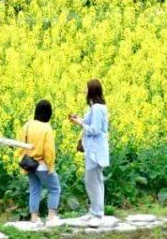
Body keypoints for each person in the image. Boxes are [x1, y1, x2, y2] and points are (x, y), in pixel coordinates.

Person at [69, 80, 110, 225]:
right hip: (93, 150)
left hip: (95, 151)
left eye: (86, 88)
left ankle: (98, 215)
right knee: (95, 181)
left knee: (93, 182)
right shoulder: (95, 107)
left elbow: (95, 129)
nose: (84, 90)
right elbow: (89, 122)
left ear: (92, 90)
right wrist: (78, 119)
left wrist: (80, 124)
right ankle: (94, 211)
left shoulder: (98, 108)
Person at [18, 100, 60, 227]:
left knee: (35, 190)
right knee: (55, 188)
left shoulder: (27, 125)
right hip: (42, 164)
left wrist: (22, 158)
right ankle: (51, 217)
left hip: (29, 164)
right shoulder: (47, 128)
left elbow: (20, 143)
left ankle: (34, 218)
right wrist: (50, 165)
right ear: (49, 113)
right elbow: (49, 150)